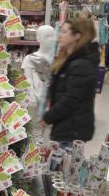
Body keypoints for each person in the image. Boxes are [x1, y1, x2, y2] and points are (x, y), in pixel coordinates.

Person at [42, 17, 99, 147]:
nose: (59, 35)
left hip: (72, 130)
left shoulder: (81, 65)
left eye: (64, 32)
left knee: (62, 165)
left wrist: (47, 117)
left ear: (77, 36)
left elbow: (70, 99)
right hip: (67, 126)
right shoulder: (69, 59)